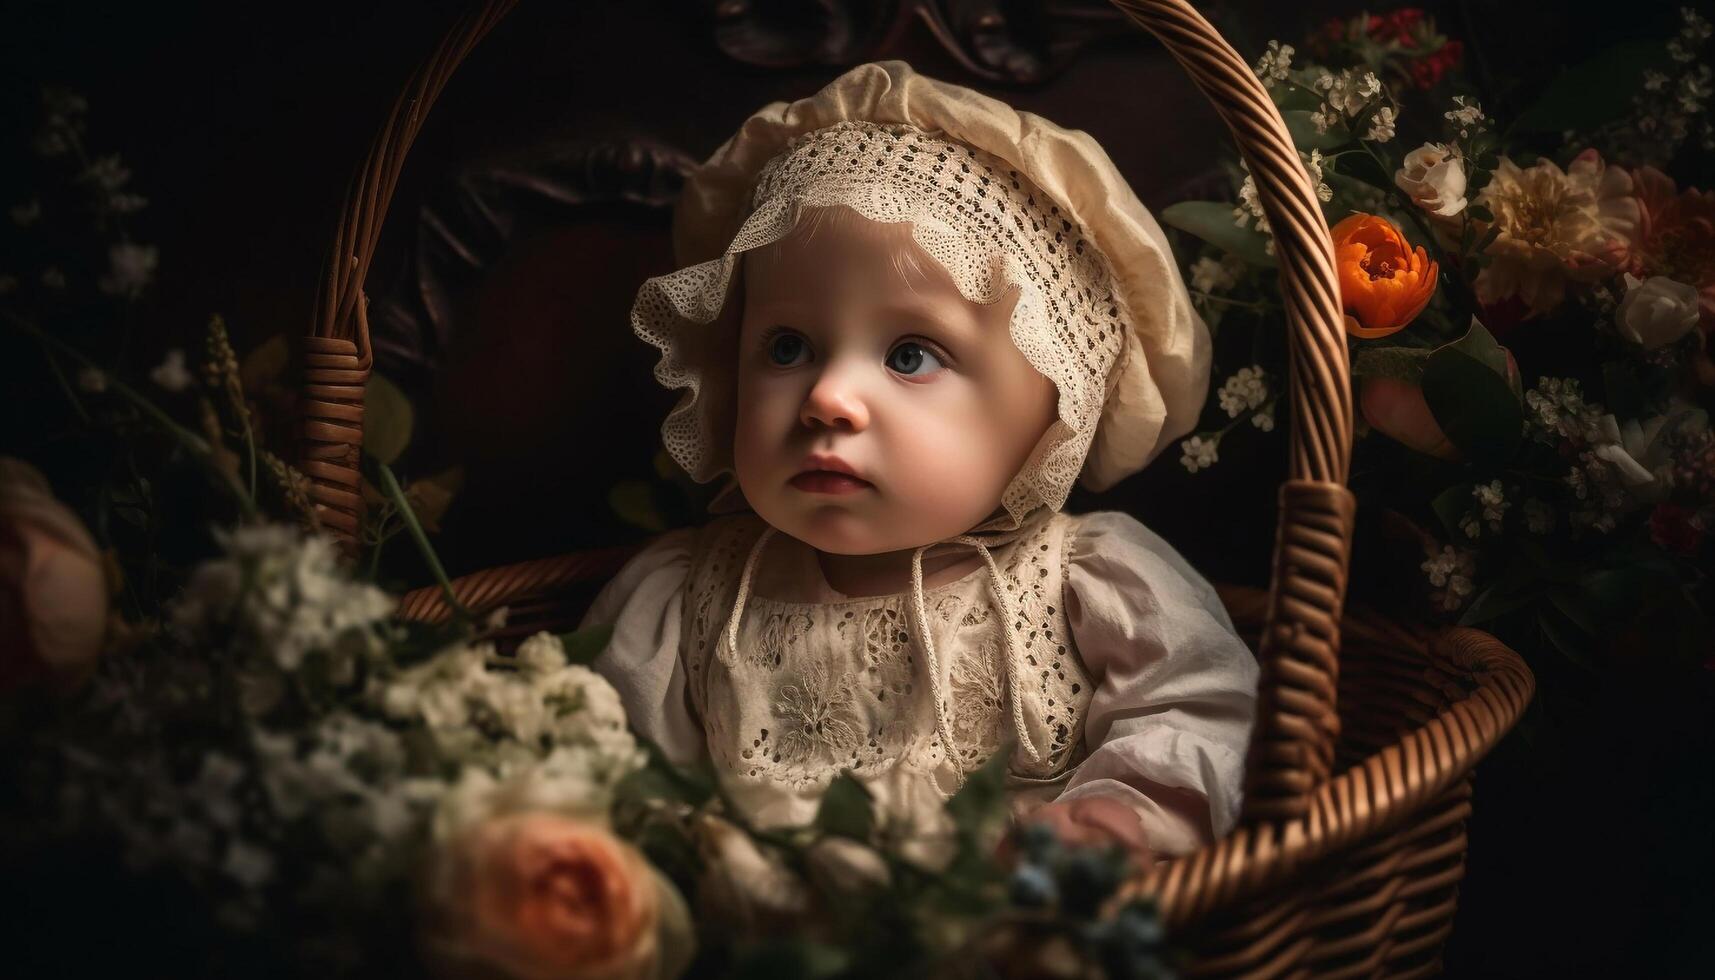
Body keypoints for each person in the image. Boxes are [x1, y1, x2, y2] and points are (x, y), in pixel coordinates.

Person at [585, 61, 1258, 866]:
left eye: (910, 354)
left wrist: (1117, 814)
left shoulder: (1085, 581)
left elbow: (1206, 711)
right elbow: (596, 779)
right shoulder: (686, 601)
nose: (827, 397)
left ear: (1054, 415)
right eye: (786, 346)